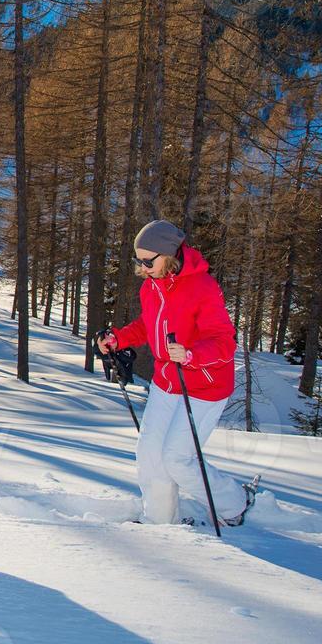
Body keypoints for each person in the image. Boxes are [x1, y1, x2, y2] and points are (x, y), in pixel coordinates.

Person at [96, 220, 257, 527]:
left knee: (177, 459)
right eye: (138, 260)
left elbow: (225, 342)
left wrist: (192, 355)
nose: (143, 267)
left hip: (204, 386)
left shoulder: (202, 287)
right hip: (167, 382)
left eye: (148, 260)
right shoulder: (151, 287)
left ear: (168, 254)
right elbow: (148, 325)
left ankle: (234, 504)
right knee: (150, 455)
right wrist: (119, 339)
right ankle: (160, 523)